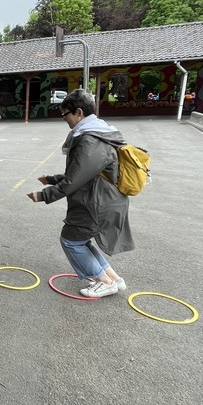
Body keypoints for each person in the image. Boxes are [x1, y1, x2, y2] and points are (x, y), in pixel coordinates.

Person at [26, 89, 133, 298]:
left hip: (97, 202)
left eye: (65, 114)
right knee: (80, 240)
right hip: (101, 198)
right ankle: (114, 279)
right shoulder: (99, 132)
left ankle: (103, 281)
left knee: (71, 240)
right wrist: (52, 179)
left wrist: (43, 195)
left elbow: (75, 179)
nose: (64, 119)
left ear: (79, 112)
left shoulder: (90, 139)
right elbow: (85, 172)